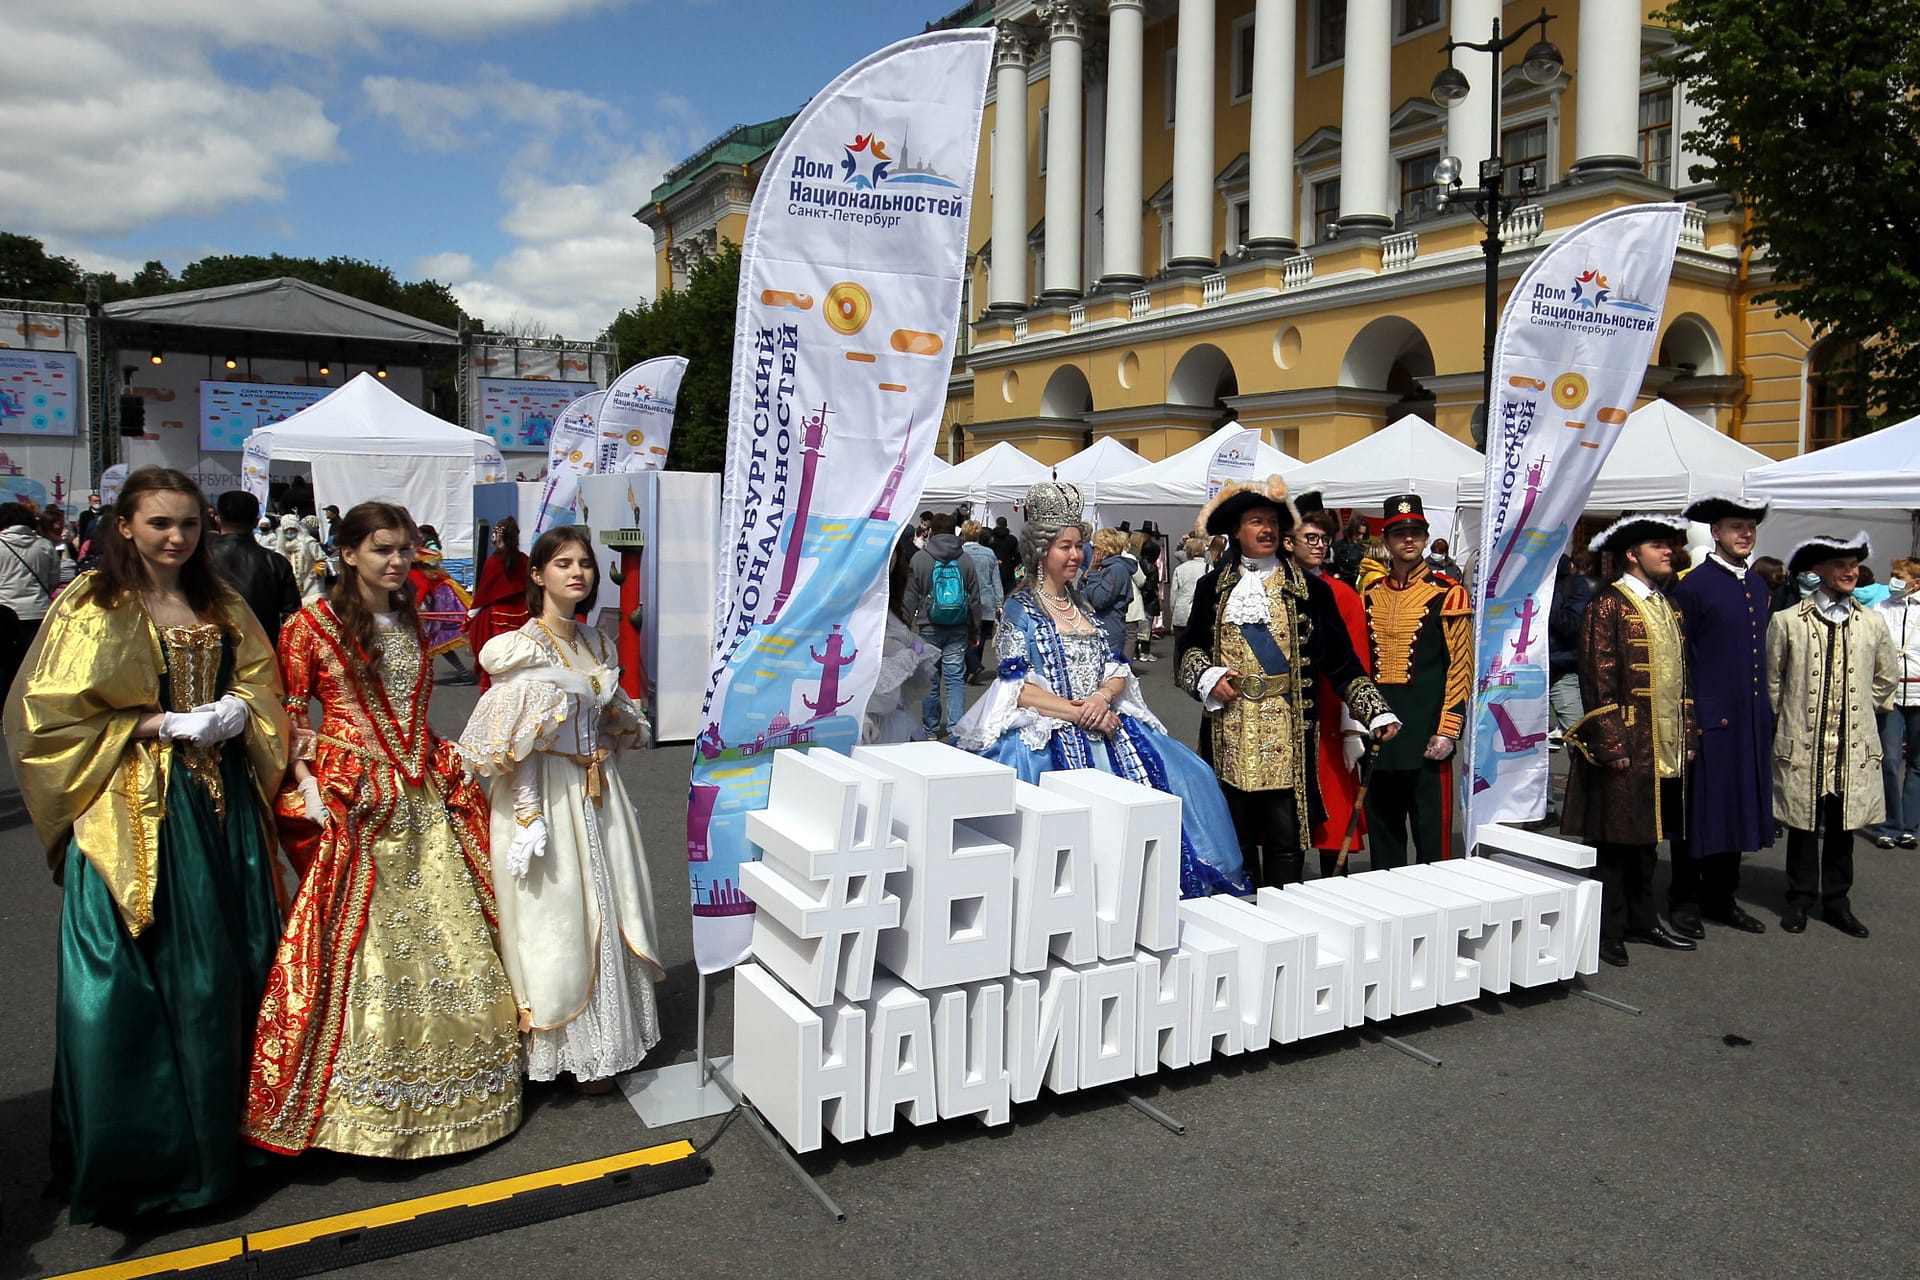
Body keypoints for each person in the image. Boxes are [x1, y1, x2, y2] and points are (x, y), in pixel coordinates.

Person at [4, 466, 289, 1222]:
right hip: (133, 811)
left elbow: (263, 680)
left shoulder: (218, 597)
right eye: (160, 523)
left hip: (219, 810)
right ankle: (149, 1157)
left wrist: (238, 709)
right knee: (142, 980)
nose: (176, 536)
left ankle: (234, 1139)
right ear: (124, 526)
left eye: (188, 524)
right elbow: (46, 718)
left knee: (225, 973)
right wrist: (157, 723)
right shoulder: (91, 602)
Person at [244, 501, 522, 1158]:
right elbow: (290, 717)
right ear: (347, 554)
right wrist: (308, 782)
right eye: (382, 550)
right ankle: (358, 1112)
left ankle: (462, 1093)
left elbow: (409, 706)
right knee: (360, 941)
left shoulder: (411, 619)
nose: (398, 561)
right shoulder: (310, 626)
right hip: (355, 793)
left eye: (403, 550)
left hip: (419, 791)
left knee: (450, 934)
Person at [954, 482, 1249, 896]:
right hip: (1051, 724)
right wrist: (1077, 711)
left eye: (1079, 546)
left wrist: (1102, 698)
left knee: (1192, 776)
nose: (1076, 555)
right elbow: (1015, 687)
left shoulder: (1083, 607)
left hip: (1104, 716)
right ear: (1041, 551)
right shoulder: (1020, 609)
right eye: (1065, 547)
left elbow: (1116, 665)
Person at [459, 526, 663, 1090]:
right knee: (558, 917)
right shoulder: (522, 646)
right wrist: (527, 818)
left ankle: (608, 1041)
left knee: (610, 903)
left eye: (585, 564)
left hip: (599, 791)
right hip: (546, 795)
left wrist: (623, 719)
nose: (577, 572)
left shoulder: (597, 642)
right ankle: (562, 1045)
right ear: (538, 574)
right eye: (563, 563)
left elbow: (617, 717)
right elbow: (512, 746)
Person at [1177, 476, 1399, 887]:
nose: (1267, 530)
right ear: (1237, 532)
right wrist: (1207, 677)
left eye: (1273, 522)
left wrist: (1374, 710)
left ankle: (1284, 920)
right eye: (1257, 521)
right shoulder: (1213, 588)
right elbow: (1188, 650)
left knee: (1286, 839)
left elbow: (1342, 661)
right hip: (1229, 730)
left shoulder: (1310, 591)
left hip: (1287, 734)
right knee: (1234, 838)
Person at [1562, 514, 1700, 968]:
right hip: (1626, 743)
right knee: (1615, 841)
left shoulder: (1669, 605)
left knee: (1648, 837)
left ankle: (1644, 920)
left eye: (1669, 546)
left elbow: (1684, 677)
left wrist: (1688, 732)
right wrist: (1611, 743)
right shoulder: (1609, 605)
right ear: (1631, 553)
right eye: (1658, 546)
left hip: (1664, 742)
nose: (1668, 552)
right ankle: (1608, 930)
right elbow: (1596, 678)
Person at [1768, 534, 1896, 938]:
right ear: (1818, 570)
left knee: (1844, 827)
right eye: (1841, 565)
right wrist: (1788, 719)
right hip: (1804, 742)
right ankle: (1800, 899)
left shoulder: (1872, 622)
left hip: (1852, 745)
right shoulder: (1788, 621)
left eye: (1854, 565)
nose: (1850, 572)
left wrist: (1857, 712)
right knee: (1804, 824)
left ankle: (1838, 902)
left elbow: (1885, 678)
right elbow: (1774, 680)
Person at [1666, 495, 1775, 936]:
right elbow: (1679, 657)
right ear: (1715, 532)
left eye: (1750, 527)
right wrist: (1689, 717)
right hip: (1708, 718)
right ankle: (1684, 900)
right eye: (1735, 527)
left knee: (1739, 808)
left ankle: (1721, 896)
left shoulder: (1758, 584)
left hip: (1748, 717)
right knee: (1699, 813)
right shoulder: (1693, 586)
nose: (1745, 534)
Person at [1362, 495, 1471, 867]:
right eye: (1399, 534)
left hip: (1427, 734)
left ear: (1425, 539)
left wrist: (1448, 729)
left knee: (1433, 842)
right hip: (1379, 733)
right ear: (1387, 542)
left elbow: (1460, 666)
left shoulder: (1448, 593)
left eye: (1415, 533)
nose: (1408, 540)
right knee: (1384, 837)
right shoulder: (1369, 595)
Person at [1290, 493, 1375, 876]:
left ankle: (1333, 888)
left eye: (1323, 538)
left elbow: (1357, 659)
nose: (1319, 545)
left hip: (1330, 717)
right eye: (1311, 537)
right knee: (1282, 825)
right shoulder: (1271, 589)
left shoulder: (1344, 594)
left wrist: (1354, 725)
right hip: (1284, 718)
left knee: (1335, 812)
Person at [903, 512, 980, 740]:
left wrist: (905, 626)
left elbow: (910, 596)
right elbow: (974, 598)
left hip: (929, 627)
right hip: (958, 627)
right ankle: (957, 728)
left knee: (931, 679)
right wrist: (975, 629)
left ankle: (930, 730)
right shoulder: (965, 560)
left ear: (931, 531)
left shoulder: (920, 559)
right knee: (955, 678)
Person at [863, 533, 937, 744]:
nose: (888, 558)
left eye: (892, 549)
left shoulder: (889, 604)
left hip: (894, 724)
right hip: (864, 726)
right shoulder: (849, 609)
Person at [208, 489, 302, 649]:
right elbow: (292, 618)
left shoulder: (199, 558)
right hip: (261, 654)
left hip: (210, 652)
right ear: (256, 520)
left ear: (218, 519)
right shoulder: (276, 562)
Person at [1872, 558, 1920, 848]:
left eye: (1899, 575)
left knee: (1916, 762)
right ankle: (1890, 824)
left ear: (1916, 580)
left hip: (1919, 692)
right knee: (1888, 760)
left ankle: (1910, 825)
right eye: (1892, 575)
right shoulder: (1882, 608)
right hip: (1889, 693)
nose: (1893, 580)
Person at [0, 500, 58, 692]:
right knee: (35, 665)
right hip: (38, 611)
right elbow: (53, 579)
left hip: (5, 613)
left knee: (6, 666)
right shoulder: (44, 545)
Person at [469, 517, 532, 691]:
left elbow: (484, 593)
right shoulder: (524, 560)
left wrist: (470, 616)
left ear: (498, 536)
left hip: (499, 616)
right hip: (524, 615)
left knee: (498, 655)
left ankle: (497, 690)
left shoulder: (494, 562)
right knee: (522, 654)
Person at [1547, 550, 1600, 750]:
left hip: (1562, 669)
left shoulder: (1574, 587)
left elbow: (1572, 625)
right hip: (1529, 670)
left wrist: (1545, 604)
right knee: (1525, 743)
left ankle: (1583, 781)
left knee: (1578, 740)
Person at [960, 519, 1004, 685]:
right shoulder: (989, 553)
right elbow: (995, 580)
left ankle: (973, 665)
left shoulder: (960, 553)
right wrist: (999, 602)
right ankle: (974, 668)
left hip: (965, 599)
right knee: (980, 638)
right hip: (986, 599)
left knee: (962, 635)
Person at [1080, 527, 1134, 658]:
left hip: (1109, 630)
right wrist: (1085, 578)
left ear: (1104, 549)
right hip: (1095, 627)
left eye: (1095, 547)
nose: (1092, 550)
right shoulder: (1102, 568)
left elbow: (1100, 600)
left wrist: (1092, 573)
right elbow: (1081, 595)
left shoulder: (1117, 569)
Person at [275, 512, 329, 603]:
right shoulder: (280, 547)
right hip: (292, 590)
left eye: (292, 529)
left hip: (312, 587)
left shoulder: (308, 542)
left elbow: (322, 559)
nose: (289, 532)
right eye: (286, 530)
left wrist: (317, 570)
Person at [1121, 533, 1152, 662]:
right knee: (1130, 635)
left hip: (1113, 604)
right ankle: (1127, 667)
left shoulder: (1106, 557)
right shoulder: (1129, 558)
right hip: (1130, 601)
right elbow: (1141, 580)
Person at [1171, 535, 1209, 631]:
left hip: (1181, 612)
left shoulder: (1179, 569)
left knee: (1180, 644)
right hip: (1202, 613)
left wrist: (1174, 611)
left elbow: (1173, 594)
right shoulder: (1209, 568)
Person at [990, 516, 1020, 595]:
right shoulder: (1012, 539)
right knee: (1010, 596)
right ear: (1006, 525)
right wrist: (1012, 564)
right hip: (1008, 572)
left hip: (994, 570)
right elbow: (1018, 556)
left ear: (996, 524)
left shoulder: (991, 539)